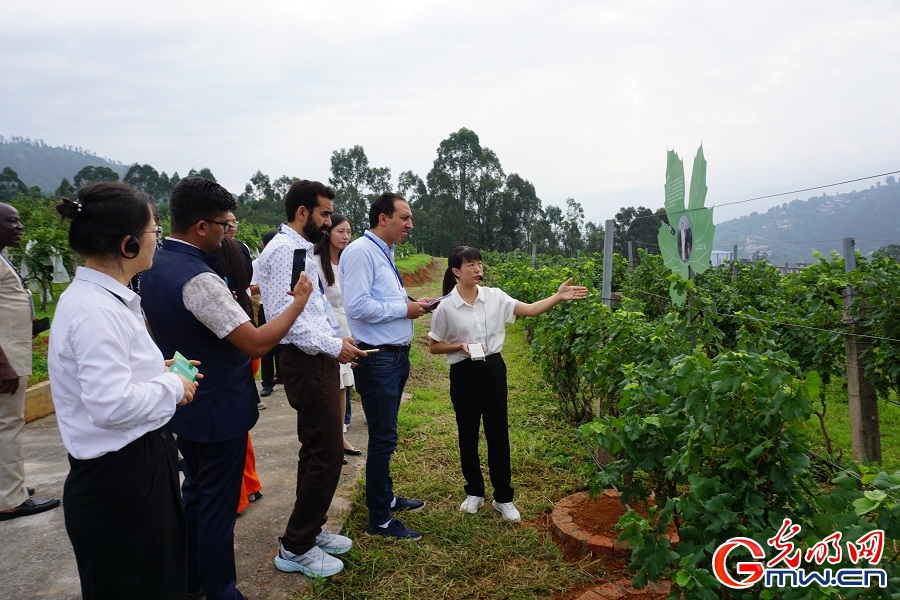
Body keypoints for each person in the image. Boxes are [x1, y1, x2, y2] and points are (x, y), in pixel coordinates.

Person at [140, 177, 312, 600]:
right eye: (222, 224)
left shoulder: (156, 265)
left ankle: (191, 577)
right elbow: (255, 341)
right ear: (201, 226)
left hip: (189, 400)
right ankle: (222, 590)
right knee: (216, 507)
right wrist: (297, 303)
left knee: (197, 494)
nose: (226, 232)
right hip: (218, 409)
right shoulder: (199, 279)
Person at [47, 183, 197, 598]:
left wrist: (156, 371)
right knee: (141, 583)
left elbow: (110, 379)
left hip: (134, 468)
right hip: (123, 480)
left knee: (158, 577)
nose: (159, 239)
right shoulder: (95, 310)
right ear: (129, 244)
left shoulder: (104, 299)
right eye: (155, 231)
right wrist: (170, 385)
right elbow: (109, 405)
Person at [428, 246, 587, 522]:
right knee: (467, 433)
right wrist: (460, 346)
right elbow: (434, 346)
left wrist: (558, 297)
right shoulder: (446, 307)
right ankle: (474, 492)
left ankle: (504, 497)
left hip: (493, 369)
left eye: (479, 263)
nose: (478, 269)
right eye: (471, 265)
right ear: (456, 272)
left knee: (498, 433)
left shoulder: (495, 297)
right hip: (464, 372)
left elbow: (530, 310)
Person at [256, 179, 366, 578]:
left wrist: (337, 337)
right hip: (306, 359)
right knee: (327, 452)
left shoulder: (301, 248)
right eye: (323, 213)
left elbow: (310, 308)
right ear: (302, 212)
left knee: (317, 449)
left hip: (317, 354)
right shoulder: (285, 250)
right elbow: (286, 322)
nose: (328, 220)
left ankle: (310, 530)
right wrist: (333, 345)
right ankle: (296, 545)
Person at [340, 192, 434, 540]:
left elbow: (383, 298)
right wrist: (404, 310)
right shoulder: (362, 252)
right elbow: (359, 306)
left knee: (386, 436)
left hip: (394, 356)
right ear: (383, 218)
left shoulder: (383, 252)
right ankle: (378, 520)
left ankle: (385, 497)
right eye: (404, 217)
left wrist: (412, 303)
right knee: (383, 438)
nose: (410, 224)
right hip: (378, 357)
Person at [0, 202, 60, 522]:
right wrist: (2, 365)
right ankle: (9, 499)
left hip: (12, 350)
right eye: (12, 221)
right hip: (5, 358)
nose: (19, 226)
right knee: (7, 425)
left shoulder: (3, 257)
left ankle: (9, 486)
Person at [213, 235, 263, 515]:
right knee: (240, 427)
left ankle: (239, 496)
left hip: (233, 358)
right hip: (245, 357)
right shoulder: (238, 294)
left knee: (229, 430)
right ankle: (251, 484)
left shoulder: (216, 289)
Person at [313, 213, 361, 456]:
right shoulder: (316, 263)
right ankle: (328, 440)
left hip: (347, 328)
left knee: (343, 385)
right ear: (328, 233)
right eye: (340, 231)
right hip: (327, 330)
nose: (346, 236)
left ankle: (340, 437)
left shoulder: (348, 262)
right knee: (329, 387)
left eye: (349, 232)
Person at [251, 230, 282, 398]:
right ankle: (267, 382)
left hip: (282, 308)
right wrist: (268, 283)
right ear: (263, 247)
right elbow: (251, 288)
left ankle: (282, 376)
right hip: (266, 306)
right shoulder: (257, 263)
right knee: (267, 348)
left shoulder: (284, 260)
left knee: (283, 345)